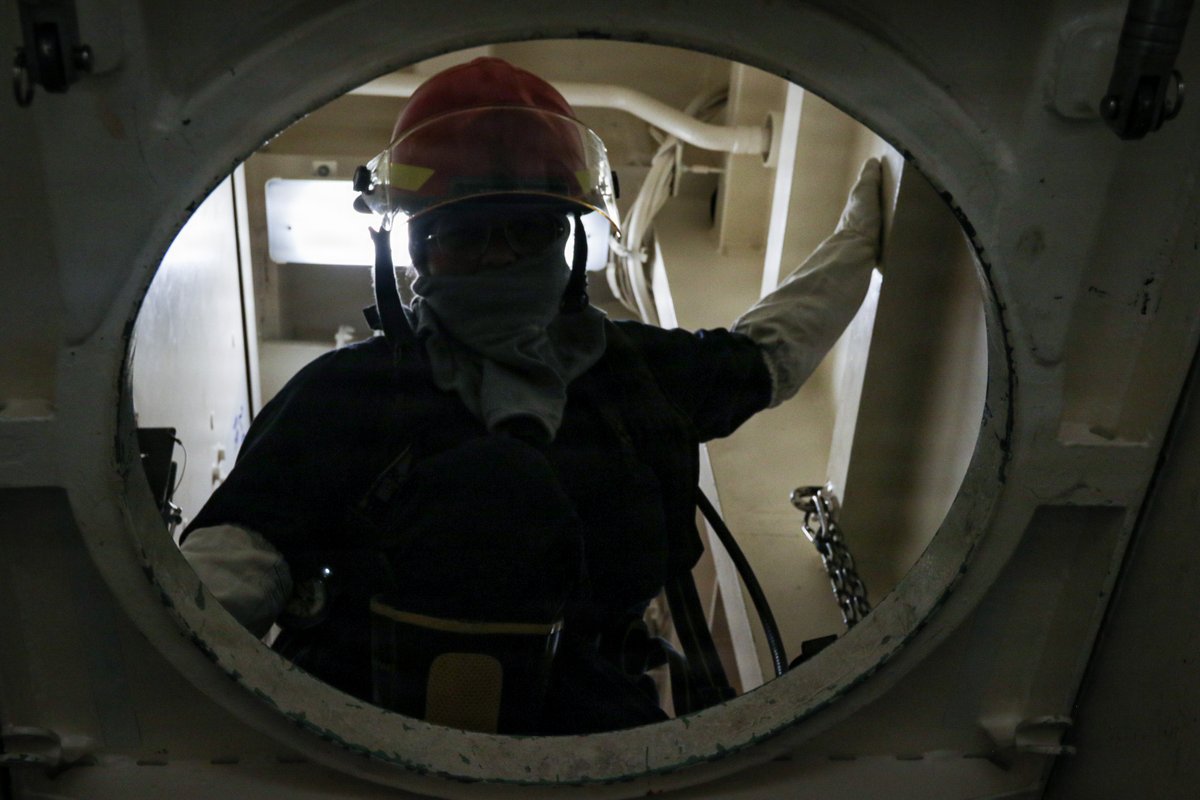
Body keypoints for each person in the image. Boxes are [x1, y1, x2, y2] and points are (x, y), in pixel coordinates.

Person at [180, 57, 882, 735]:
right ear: (418, 253)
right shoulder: (348, 392)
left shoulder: (631, 377)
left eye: (528, 231)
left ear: (569, 245)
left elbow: (766, 357)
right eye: (468, 235)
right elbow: (238, 555)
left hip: (594, 731)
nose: (502, 258)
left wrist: (857, 246)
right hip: (357, 715)